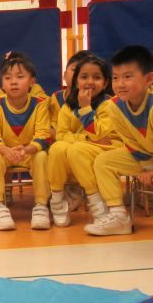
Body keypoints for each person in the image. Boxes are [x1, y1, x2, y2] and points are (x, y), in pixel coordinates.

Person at [83, 45, 153, 236]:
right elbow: (130, 141)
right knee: (103, 161)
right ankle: (118, 216)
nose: (120, 84)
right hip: (150, 156)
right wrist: (148, 167)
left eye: (128, 77)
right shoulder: (114, 106)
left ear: (149, 79)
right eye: (116, 78)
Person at [0, 52, 53, 230]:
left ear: (32, 82)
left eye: (20, 77)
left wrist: (27, 149)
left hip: (28, 152)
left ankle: (41, 206)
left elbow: (43, 136)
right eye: (8, 78)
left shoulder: (40, 104)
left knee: (42, 156)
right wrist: (5, 150)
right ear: (2, 83)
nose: (13, 82)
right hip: (5, 152)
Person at [49, 54, 115, 227]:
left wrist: (86, 108)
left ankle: (96, 203)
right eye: (84, 77)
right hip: (83, 148)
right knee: (57, 148)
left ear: (105, 83)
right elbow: (61, 134)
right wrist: (85, 138)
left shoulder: (109, 105)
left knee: (76, 150)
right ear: (76, 81)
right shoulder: (67, 106)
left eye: (96, 77)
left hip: (102, 151)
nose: (90, 82)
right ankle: (57, 200)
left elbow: (101, 134)